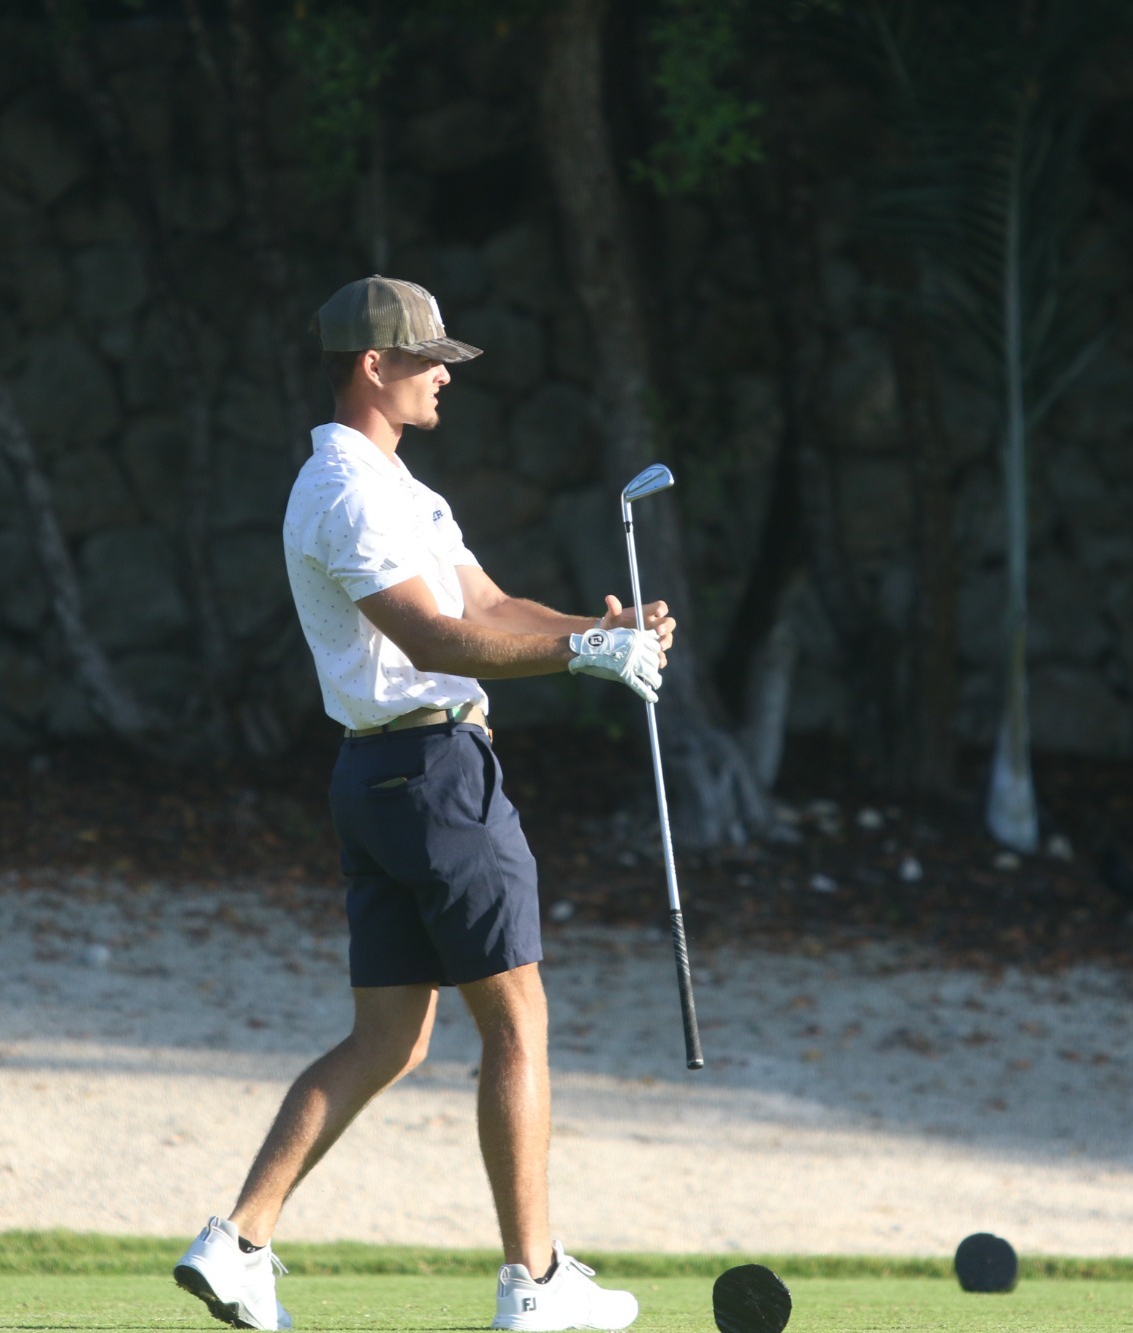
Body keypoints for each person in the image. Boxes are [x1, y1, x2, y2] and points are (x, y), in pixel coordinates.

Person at [173, 276, 675, 1333]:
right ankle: (533, 1285)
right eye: (427, 358)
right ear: (373, 365)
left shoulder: (397, 487)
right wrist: (586, 655)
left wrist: (600, 622)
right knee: (517, 1024)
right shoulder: (346, 493)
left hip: (382, 780)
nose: (444, 373)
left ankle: (238, 1244)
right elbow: (437, 642)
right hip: (433, 777)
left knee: (389, 1040)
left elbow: (485, 605)